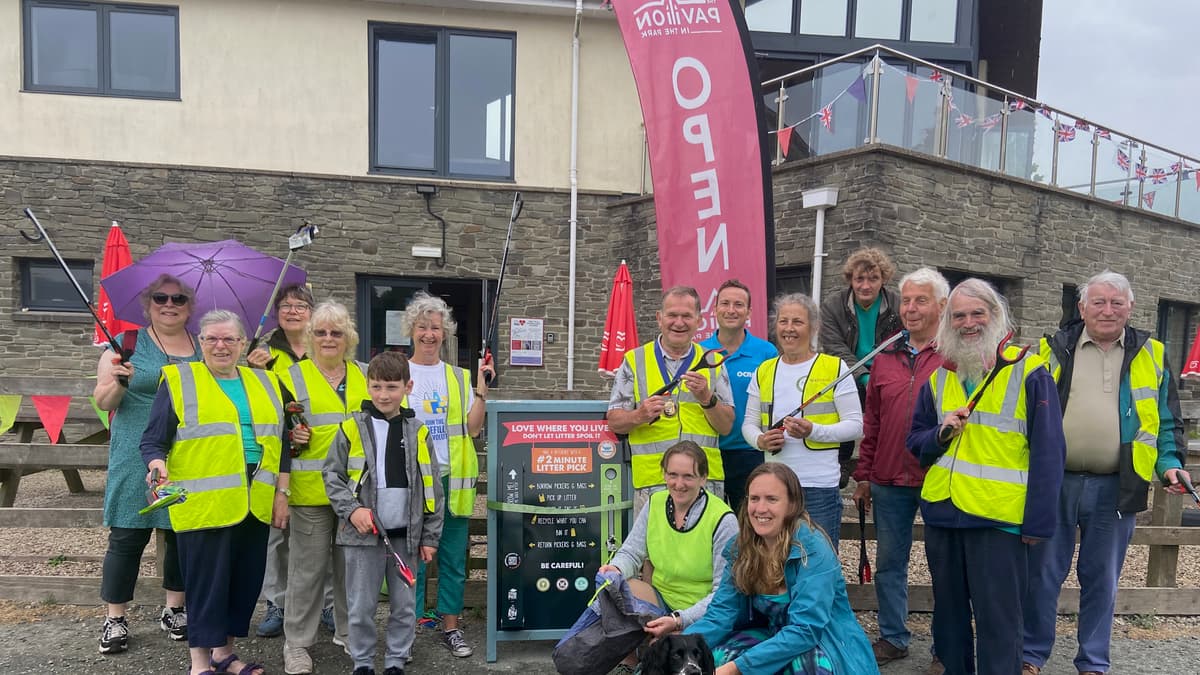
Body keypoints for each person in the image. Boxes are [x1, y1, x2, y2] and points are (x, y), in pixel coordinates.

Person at [1022, 271, 1193, 675]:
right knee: (1042, 575)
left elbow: (1167, 422)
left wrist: (1169, 466)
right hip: (1055, 482)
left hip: (1118, 485)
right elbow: (1024, 415)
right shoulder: (1051, 349)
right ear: (1081, 308)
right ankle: (1031, 655)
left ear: (1131, 308)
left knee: (1102, 580)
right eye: (1098, 302)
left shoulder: (1151, 353)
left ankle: (1093, 662)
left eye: (1117, 303)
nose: (1107, 310)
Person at [907, 279, 1065, 675]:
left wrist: (1039, 524)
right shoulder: (939, 377)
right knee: (949, 622)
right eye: (958, 315)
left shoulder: (1030, 372)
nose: (968, 322)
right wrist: (940, 432)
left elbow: (1049, 453)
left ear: (995, 316)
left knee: (999, 623)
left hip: (998, 519)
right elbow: (916, 442)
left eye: (978, 313)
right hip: (945, 514)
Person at [141, 310, 299, 675]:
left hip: (254, 497)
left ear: (243, 344)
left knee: (243, 581)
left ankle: (224, 654)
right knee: (206, 584)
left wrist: (281, 493)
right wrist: (156, 464)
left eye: (229, 339)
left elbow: (284, 442)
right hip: (203, 499)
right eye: (211, 338)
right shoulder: (180, 380)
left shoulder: (267, 382)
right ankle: (200, 662)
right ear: (200, 342)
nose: (220, 345)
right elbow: (153, 440)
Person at [684, 463, 878, 674]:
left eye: (772, 499)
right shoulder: (741, 547)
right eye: (754, 498)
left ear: (792, 505)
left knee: (805, 669)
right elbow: (720, 615)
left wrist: (737, 668)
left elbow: (806, 629)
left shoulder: (813, 551)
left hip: (822, 640)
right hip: (772, 635)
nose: (760, 508)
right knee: (713, 657)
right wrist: (677, 647)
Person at [93, 274, 199, 654]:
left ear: (190, 306)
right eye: (160, 298)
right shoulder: (126, 346)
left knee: (181, 536)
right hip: (133, 453)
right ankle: (115, 617)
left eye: (179, 299)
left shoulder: (202, 347)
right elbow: (104, 402)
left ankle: (175, 609)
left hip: (185, 454)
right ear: (147, 303)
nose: (169, 304)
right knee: (127, 535)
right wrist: (119, 380)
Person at [851, 268, 948, 670]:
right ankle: (893, 637)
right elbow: (871, 421)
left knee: (946, 565)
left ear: (942, 305)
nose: (910, 308)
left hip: (942, 477)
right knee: (891, 563)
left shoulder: (955, 357)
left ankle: (947, 645)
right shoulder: (885, 357)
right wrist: (864, 474)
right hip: (889, 478)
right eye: (906, 300)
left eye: (920, 300)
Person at [324, 351, 444, 675]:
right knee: (361, 607)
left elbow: (433, 488)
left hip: (406, 537)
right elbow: (332, 477)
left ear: (408, 386)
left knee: (404, 606)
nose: (383, 395)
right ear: (367, 385)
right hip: (362, 535)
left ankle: (396, 660)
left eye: (391, 387)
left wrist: (430, 535)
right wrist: (352, 511)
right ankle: (362, 662)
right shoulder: (351, 428)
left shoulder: (418, 431)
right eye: (376, 386)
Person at [278, 301, 371, 673]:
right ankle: (297, 643)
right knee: (307, 571)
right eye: (321, 332)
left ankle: (348, 634)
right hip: (312, 491)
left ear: (349, 337)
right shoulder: (290, 376)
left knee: (353, 569)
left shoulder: (366, 374)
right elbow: (276, 435)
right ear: (309, 336)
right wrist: (293, 436)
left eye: (336, 332)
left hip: (357, 494)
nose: (328, 338)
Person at [402, 291, 493, 658]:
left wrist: (482, 392)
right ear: (411, 330)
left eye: (435, 328)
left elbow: (472, 430)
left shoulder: (459, 377)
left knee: (454, 558)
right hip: (412, 481)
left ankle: (451, 626)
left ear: (445, 333)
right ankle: (408, 627)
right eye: (422, 327)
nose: (428, 334)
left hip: (450, 481)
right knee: (411, 560)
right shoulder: (397, 371)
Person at [598, 441, 737, 671]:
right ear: (664, 474)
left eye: (688, 476)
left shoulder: (724, 520)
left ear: (703, 478)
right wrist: (616, 569)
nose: (678, 484)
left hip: (703, 612)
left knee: (668, 654)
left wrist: (678, 620)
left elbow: (722, 595)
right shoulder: (655, 502)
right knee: (618, 585)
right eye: (672, 474)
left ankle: (661, 643)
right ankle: (628, 661)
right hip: (662, 600)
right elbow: (632, 552)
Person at [245, 284, 335, 639]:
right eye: (286, 306)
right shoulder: (264, 354)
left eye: (300, 305)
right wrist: (253, 371)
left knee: (321, 535)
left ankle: (326, 602)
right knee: (276, 534)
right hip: (277, 455)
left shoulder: (324, 352)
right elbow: (254, 404)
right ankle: (276, 602)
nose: (293, 311)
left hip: (318, 457)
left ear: (311, 311)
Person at [743, 293, 863, 551]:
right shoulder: (764, 370)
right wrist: (761, 440)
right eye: (783, 321)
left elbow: (855, 425)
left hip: (817, 486)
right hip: (774, 484)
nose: (789, 328)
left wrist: (813, 431)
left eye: (797, 321)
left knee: (819, 564)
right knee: (775, 564)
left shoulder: (835, 367)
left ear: (814, 326)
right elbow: (749, 424)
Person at [607, 286, 735, 515]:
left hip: (703, 482)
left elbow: (726, 426)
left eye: (686, 316)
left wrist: (707, 398)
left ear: (698, 320)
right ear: (659, 318)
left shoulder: (714, 362)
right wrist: (639, 415)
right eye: (672, 315)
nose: (679, 322)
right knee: (651, 550)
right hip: (653, 482)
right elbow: (614, 421)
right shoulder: (634, 360)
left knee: (704, 550)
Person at [819, 247, 902, 489]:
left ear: (883, 280)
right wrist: (864, 377)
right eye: (860, 279)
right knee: (839, 404)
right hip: (848, 371)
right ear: (850, 280)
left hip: (887, 371)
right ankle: (842, 462)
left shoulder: (898, 304)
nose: (866, 286)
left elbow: (900, 344)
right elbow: (835, 347)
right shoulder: (833, 306)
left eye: (873, 279)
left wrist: (880, 377)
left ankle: (886, 467)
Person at [700, 279, 777, 513]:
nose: (731, 310)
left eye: (738, 305)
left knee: (751, 524)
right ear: (714, 310)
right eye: (725, 303)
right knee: (712, 523)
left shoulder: (766, 352)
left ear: (749, 312)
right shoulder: (700, 352)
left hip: (751, 453)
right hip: (710, 451)